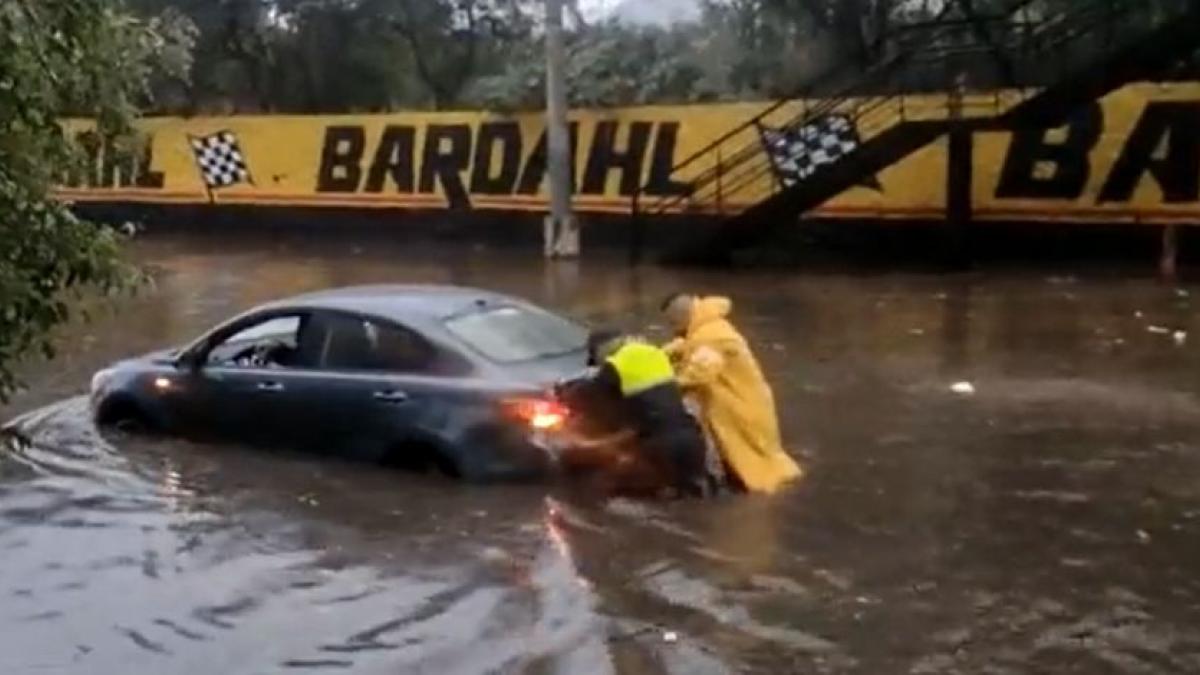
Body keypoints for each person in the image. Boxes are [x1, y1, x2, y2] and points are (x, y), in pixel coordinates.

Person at [661, 293, 802, 494]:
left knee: (753, 469)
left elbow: (700, 373)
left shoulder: (709, 337)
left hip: (740, 409)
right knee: (762, 456)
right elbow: (688, 346)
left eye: (673, 322)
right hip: (750, 402)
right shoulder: (710, 328)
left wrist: (668, 387)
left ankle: (765, 505)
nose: (673, 329)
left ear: (684, 317)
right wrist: (663, 354)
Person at [556, 330, 712, 498]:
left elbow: (592, 393)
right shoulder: (655, 353)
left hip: (660, 445)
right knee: (697, 494)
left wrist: (564, 395)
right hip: (692, 437)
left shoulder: (616, 365)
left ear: (602, 351)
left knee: (613, 491)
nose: (601, 364)